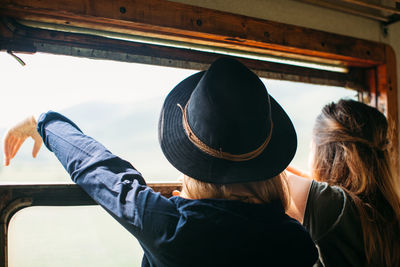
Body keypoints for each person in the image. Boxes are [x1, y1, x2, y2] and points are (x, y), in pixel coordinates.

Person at [3, 57, 318, 266]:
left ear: (193, 167)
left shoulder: (176, 229)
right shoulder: (297, 242)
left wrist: (43, 121)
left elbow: (99, 170)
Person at [286, 99, 400, 266]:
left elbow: (273, 176)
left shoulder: (335, 207)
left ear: (324, 155)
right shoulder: (389, 212)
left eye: (312, 149)